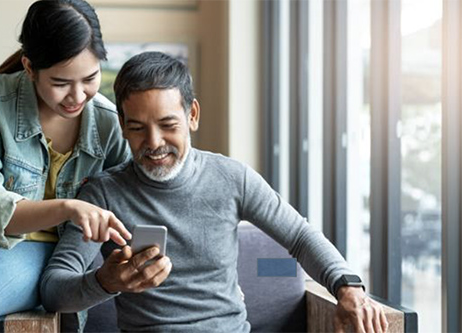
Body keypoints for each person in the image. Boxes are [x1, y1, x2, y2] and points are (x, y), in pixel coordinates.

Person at [40, 51, 389, 333]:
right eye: (137, 128)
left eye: (168, 125)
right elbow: (54, 290)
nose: (154, 143)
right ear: (122, 126)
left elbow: (299, 235)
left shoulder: (231, 177)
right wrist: (106, 281)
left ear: (192, 115)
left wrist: (347, 286)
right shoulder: (102, 195)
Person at [0, 1, 132, 331]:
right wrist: (68, 208)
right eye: (60, 82)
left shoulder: (109, 124)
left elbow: (139, 198)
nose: (77, 96)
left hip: (59, 256)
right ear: (29, 67)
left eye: (90, 78)